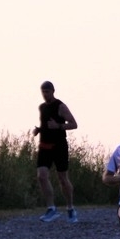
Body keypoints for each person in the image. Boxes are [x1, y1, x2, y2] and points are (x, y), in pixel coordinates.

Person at [34, 81, 78, 223]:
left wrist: (58, 126)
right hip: (44, 146)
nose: (45, 94)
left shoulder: (60, 106)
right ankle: (51, 209)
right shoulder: (42, 107)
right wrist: (39, 130)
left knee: (62, 179)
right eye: (43, 92)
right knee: (41, 176)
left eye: (47, 91)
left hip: (59, 146)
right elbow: (45, 124)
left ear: (53, 91)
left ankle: (70, 209)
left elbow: (74, 124)